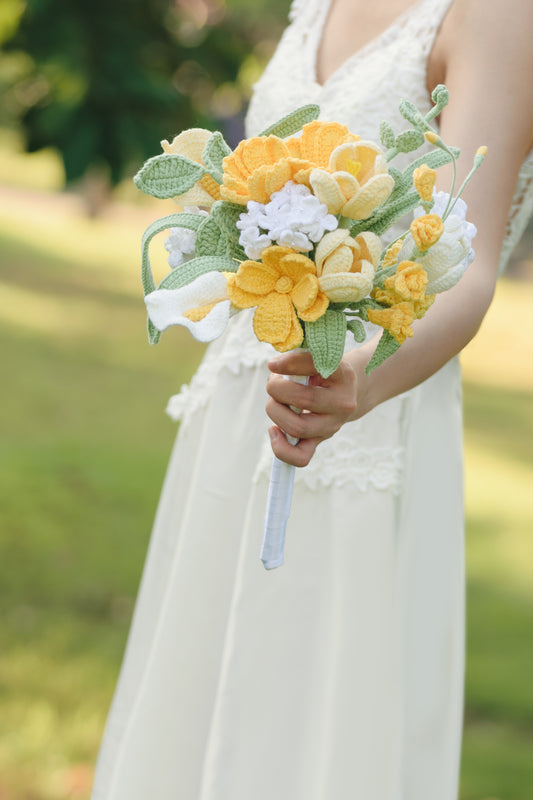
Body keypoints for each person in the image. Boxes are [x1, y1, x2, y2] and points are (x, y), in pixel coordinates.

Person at [91, 1, 533, 798]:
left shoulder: (497, 15)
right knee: (191, 691)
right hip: (239, 400)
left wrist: (357, 381)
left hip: (363, 408)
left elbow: (466, 267)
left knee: (307, 712)